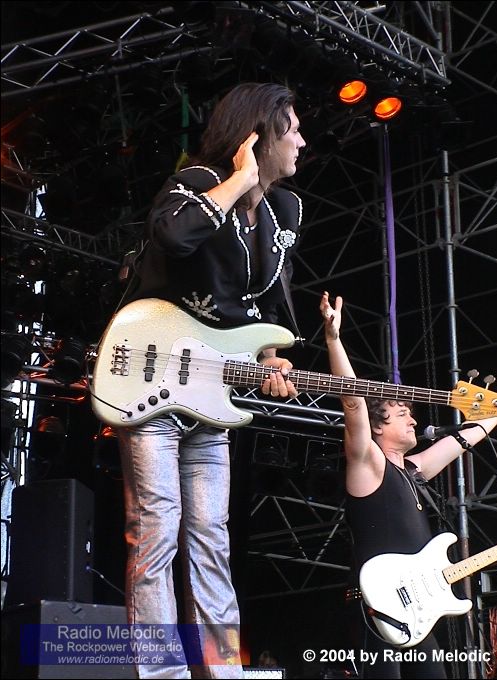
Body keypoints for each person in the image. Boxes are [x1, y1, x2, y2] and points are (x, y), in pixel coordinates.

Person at [114, 82, 305, 679]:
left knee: (211, 540)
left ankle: (222, 672)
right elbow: (172, 236)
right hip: (150, 381)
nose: (302, 141)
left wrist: (272, 356)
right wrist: (239, 179)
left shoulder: (282, 212)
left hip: (212, 394)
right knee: (156, 531)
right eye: (293, 129)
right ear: (259, 135)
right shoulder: (197, 182)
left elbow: (267, 300)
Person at [320, 291, 497, 679]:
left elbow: (465, 438)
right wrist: (334, 340)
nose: (413, 420)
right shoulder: (369, 465)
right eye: (401, 413)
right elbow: (353, 403)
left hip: (415, 610)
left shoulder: (414, 470)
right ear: (377, 426)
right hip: (375, 606)